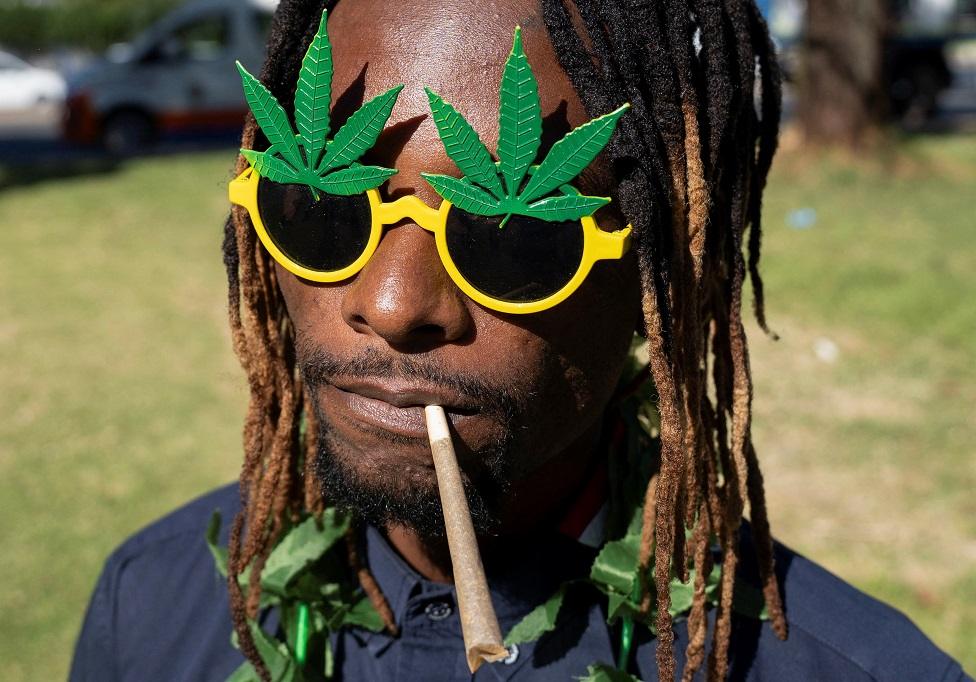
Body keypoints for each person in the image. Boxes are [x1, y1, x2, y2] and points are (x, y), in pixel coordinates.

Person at [70, 0, 971, 680]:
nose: (389, 305)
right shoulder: (151, 609)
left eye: (514, 237)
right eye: (321, 204)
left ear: (670, 270)